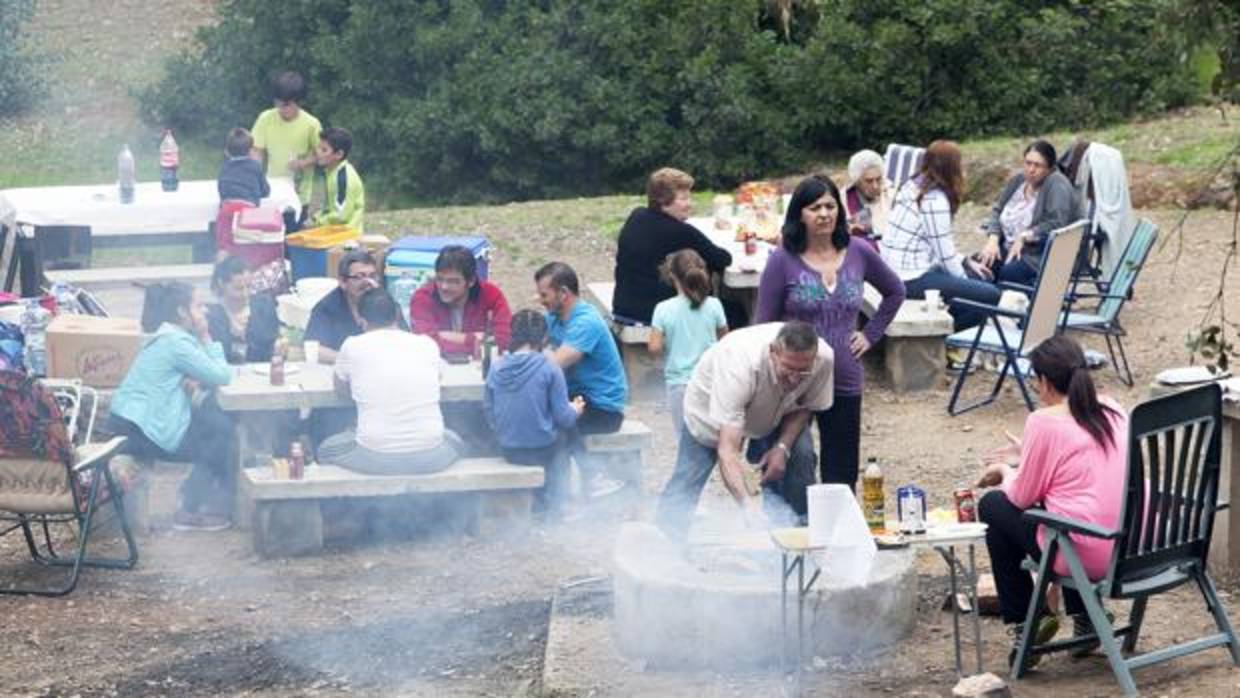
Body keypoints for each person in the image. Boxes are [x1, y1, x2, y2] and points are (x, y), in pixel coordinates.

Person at [976, 335, 1127, 663]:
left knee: (994, 506)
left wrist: (1004, 469)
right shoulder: (1112, 408)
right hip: (1132, 545)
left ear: (1044, 381)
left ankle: (1026, 623)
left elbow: (1021, 497)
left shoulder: (1043, 422)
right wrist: (1027, 454)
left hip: (1089, 555)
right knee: (1067, 509)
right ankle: (1086, 617)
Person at [755, 176, 904, 490]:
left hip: (844, 377)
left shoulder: (859, 251)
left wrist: (871, 334)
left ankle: (837, 534)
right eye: (814, 207)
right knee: (796, 462)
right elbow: (763, 324)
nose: (824, 214)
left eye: (830, 206)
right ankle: (790, 529)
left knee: (842, 472)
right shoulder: (782, 260)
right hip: (794, 381)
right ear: (799, 214)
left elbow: (895, 291)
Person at [655, 321, 833, 541]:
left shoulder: (824, 360)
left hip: (781, 407)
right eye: (789, 369)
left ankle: (799, 540)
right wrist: (747, 505)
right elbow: (728, 451)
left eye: (803, 371)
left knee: (801, 457)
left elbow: (807, 405)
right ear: (772, 352)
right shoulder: (738, 364)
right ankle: (665, 541)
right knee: (691, 472)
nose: (796, 378)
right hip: (712, 405)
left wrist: (782, 447)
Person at [108, 282, 236, 531]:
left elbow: (202, 370)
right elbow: (222, 375)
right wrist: (207, 336)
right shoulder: (176, 343)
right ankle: (189, 509)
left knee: (215, 422)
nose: (204, 312)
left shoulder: (167, 338)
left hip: (129, 422)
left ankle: (200, 500)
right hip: (142, 432)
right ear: (181, 312)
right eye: (198, 306)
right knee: (223, 433)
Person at [319, 289, 462, 475]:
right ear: (396, 314)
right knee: (456, 440)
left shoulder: (352, 345)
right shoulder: (426, 344)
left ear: (360, 319)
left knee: (326, 449)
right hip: (431, 456)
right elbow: (436, 380)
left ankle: (352, 504)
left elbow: (341, 390)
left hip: (376, 456)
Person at [880, 139, 1000, 331]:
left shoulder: (912, 184)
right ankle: (944, 337)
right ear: (952, 168)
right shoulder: (934, 200)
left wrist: (966, 262)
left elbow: (938, 246)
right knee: (990, 294)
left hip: (895, 270)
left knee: (979, 278)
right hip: (908, 279)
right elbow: (944, 257)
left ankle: (949, 330)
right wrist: (965, 280)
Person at [536, 261, 628, 498]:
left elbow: (554, 364)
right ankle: (550, 498)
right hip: (576, 398)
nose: (540, 300)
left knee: (556, 425)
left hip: (603, 407)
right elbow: (533, 345)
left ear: (563, 293)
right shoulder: (554, 317)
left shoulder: (586, 321)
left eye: (544, 294)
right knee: (542, 417)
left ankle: (591, 479)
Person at [485, 310, 585, 519]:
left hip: (508, 448)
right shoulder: (549, 367)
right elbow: (563, 417)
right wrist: (575, 408)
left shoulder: (496, 367)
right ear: (543, 338)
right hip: (542, 450)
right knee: (567, 433)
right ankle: (557, 502)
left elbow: (489, 411)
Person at [613, 167, 733, 326]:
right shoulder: (682, 232)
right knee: (735, 312)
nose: (689, 204)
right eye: (683, 199)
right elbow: (723, 259)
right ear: (663, 201)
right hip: (653, 315)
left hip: (623, 306)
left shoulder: (637, 216)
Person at [304, 249, 388, 448]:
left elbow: (403, 339)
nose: (367, 282)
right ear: (342, 282)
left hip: (380, 387)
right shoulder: (327, 307)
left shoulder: (385, 303)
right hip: (338, 390)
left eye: (371, 276)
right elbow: (314, 349)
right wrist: (353, 360)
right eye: (359, 277)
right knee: (327, 425)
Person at [976, 140, 1081, 286]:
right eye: (1028, 163)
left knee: (1007, 273)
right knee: (978, 266)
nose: (1031, 169)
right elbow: (997, 210)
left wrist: (1025, 236)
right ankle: (981, 303)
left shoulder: (1056, 184)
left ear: (1050, 168)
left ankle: (1001, 303)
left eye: (1038, 165)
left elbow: (1057, 223)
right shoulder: (1019, 180)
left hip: (1037, 255)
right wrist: (993, 240)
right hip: (1006, 246)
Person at [649, 249, 728, 436]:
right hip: (710, 382)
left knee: (685, 439)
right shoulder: (714, 305)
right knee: (714, 439)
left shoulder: (663, 309)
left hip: (679, 384)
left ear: (672, 276)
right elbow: (726, 340)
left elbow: (654, 347)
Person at [410, 245, 513, 357]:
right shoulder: (423, 297)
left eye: (453, 281)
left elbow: (505, 340)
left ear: (471, 281)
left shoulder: (491, 294)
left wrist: (442, 336)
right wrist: (471, 340)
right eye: (439, 279)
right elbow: (424, 344)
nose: (444, 287)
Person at [250, 70, 321, 218]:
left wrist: (303, 163)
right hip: (272, 190)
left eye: (287, 105)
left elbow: (320, 154)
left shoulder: (311, 124)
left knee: (292, 236)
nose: (281, 108)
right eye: (278, 103)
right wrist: (254, 174)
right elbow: (256, 151)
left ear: (299, 102)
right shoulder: (265, 118)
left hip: (298, 195)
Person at [206, 256, 280, 364]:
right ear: (221, 283)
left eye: (249, 287)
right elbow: (212, 353)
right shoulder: (211, 313)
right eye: (238, 289)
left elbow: (271, 345)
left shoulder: (264, 306)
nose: (246, 294)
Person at [309, 126, 365, 233]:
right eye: (318, 147)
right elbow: (329, 207)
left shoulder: (342, 178)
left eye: (324, 150)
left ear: (339, 154)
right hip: (335, 231)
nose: (318, 152)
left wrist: (318, 222)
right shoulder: (331, 172)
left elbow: (341, 215)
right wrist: (315, 217)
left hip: (346, 237)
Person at [841, 149, 895, 247]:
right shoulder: (845, 199)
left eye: (878, 179)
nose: (875, 186)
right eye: (869, 181)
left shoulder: (892, 193)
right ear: (857, 181)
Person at [217, 128, 270, 206]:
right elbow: (265, 192)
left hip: (227, 208)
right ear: (250, 151)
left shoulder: (224, 168)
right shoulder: (256, 166)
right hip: (249, 209)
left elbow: (221, 189)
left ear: (227, 152)